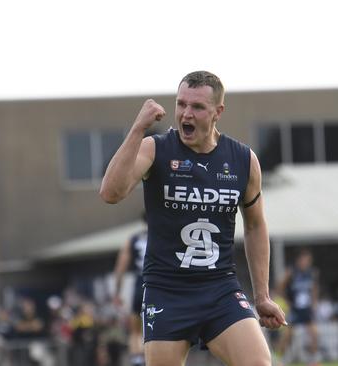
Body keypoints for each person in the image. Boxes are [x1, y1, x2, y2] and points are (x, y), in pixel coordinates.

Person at [100, 70, 286, 365]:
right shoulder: (156, 148)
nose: (186, 114)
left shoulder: (243, 160)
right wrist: (137, 129)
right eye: (181, 104)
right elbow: (111, 192)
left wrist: (261, 296)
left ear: (218, 112)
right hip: (167, 291)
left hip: (220, 288)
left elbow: (254, 225)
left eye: (197, 107)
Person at [276, 249, 321, 365]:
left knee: (315, 334)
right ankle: (278, 359)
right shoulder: (291, 272)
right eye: (304, 260)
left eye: (308, 260)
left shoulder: (312, 273)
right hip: (295, 308)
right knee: (288, 335)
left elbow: (314, 288)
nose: (306, 263)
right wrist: (287, 301)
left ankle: (313, 360)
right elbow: (280, 287)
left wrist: (314, 302)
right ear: (299, 260)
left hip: (306, 308)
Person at [113, 222, 148, 366]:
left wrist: (117, 292)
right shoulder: (163, 233)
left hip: (140, 282)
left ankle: (138, 361)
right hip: (158, 283)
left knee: (135, 331)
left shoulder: (133, 239)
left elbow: (121, 267)